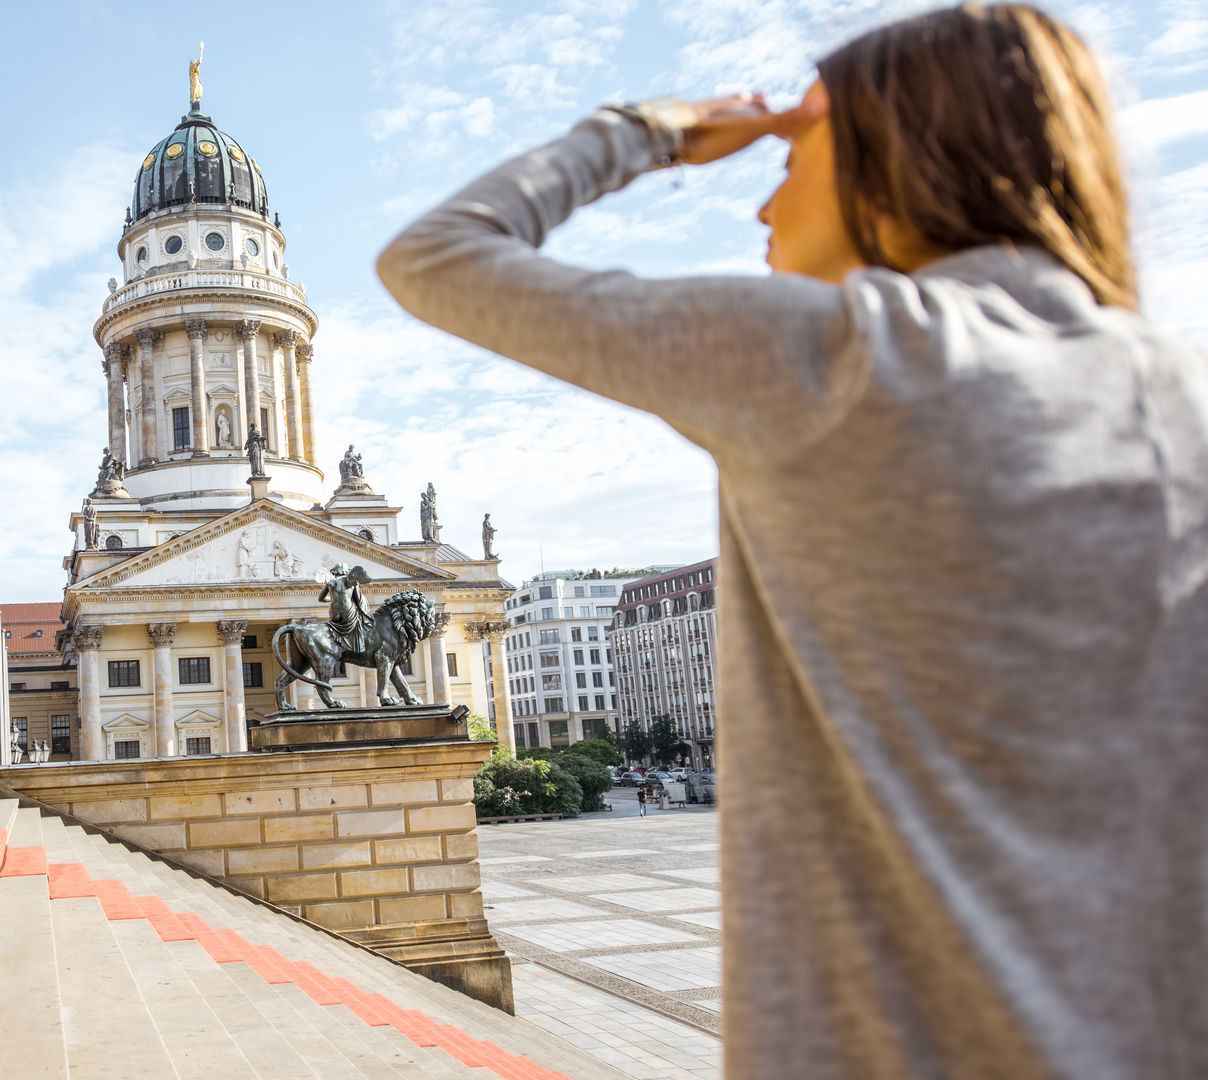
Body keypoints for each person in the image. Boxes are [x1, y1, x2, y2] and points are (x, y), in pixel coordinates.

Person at [377, 6, 1205, 1078]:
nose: (766, 196)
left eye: (795, 154)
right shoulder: (1176, 387)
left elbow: (434, 257)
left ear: (890, 166)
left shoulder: (840, 358)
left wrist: (654, 129)